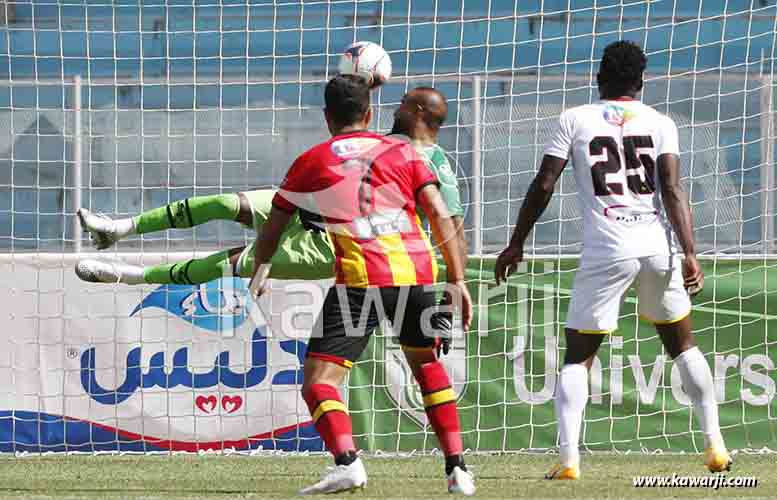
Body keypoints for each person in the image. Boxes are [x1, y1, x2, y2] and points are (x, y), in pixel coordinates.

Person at [494, 40, 731, 480]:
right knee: (682, 344)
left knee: (578, 356)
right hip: (657, 246)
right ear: (642, 81)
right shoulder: (661, 123)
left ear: (598, 76)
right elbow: (674, 189)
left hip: (607, 247)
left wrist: (516, 242)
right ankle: (715, 444)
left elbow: (544, 182)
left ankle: (568, 459)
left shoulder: (575, 119)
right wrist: (690, 252)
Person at [249, 74, 475, 495]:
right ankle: (457, 469)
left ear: (327, 117)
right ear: (369, 114)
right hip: (417, 274)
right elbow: (440, 214)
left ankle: (348, 462)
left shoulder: (311, 161)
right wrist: (458, 281)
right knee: (426, 365)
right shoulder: (403, 151)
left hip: (360, 282)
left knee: (319, 381)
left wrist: (261, 267)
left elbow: (274, 223)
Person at [73, 89, 465, 292]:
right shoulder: (378, 141)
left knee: (229, 262)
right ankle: (119, 228)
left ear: (417, 113)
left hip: (337, 243)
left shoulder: (434, 161)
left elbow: (451, 223)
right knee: (225, 202)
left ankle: (129, 276)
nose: (394, 106)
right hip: (309, 204)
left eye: (403, 103)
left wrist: (452, 283)